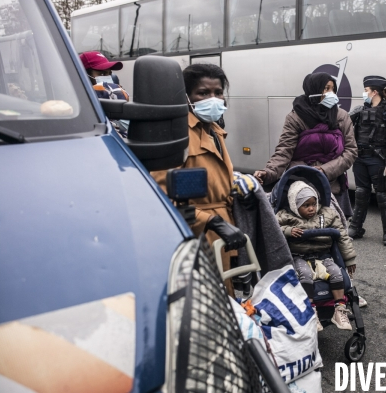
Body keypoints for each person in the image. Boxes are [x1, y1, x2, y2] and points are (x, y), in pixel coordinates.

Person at [151, 63, 247, 297]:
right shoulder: (177, 134)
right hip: (196, 237)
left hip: (225, 234)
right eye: (203, 93)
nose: (212, 99)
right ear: (186, 96)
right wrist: (212, 221)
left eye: (218, 92)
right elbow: (162, 198)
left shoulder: (214, 129)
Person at [253, 72, 357, 217]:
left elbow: (351, 151)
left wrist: (324, 170)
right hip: (301, 186)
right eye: (326, 88)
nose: (331, 93)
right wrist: (268, 172)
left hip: (331, 185)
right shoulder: (295, 117)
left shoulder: (341, 116)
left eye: (333, 89)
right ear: (313, 90)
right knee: (302, 234)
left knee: (333, 231)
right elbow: (284, 151)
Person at [276, 181, 356, 331]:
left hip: (322, 255)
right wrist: (287, 230)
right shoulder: (285, 216)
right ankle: (310, 312)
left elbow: (343, 236)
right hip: (298, 256)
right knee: (305, 274)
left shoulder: (327, 214)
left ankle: (339, 309)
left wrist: (349, 259)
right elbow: (272, 229)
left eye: (314, 203)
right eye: (306, 205)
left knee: (337, 273)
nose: (312, 208)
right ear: (294, 205)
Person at [348, 76, 386, 246]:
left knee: (382, 195)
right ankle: (355, 228)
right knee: (361, 193)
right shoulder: (360, 109)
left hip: (378, 158)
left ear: (374, 91)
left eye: (366, 90)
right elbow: (344, 126)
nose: (364, 93)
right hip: (360, 158)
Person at [79, 51, 130, 136]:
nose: (107, 77)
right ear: (84, 75)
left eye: (109, 73)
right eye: (102, 74)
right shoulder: (79, 104)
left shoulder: (114, 94)